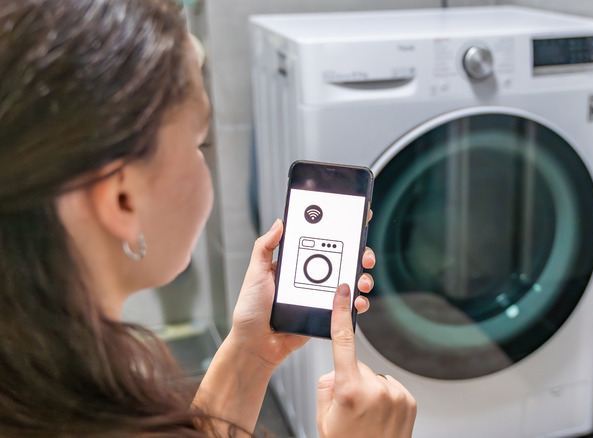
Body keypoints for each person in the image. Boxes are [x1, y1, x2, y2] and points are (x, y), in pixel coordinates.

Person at [0, 0, 417, 437]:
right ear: (122, 200)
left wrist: (251, 350)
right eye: (201, 143)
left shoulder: (39, 384)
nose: (207, 162)